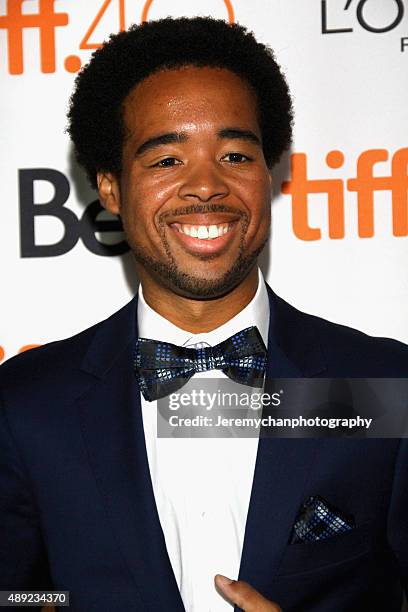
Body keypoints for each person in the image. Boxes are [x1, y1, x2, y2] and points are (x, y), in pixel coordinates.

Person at [0, 16, 407, 612]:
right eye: (166, 161)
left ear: (269, 172)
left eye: (236, 154)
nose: (207, 186)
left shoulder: (378, 385)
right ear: (110, 187)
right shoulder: (27, 405)